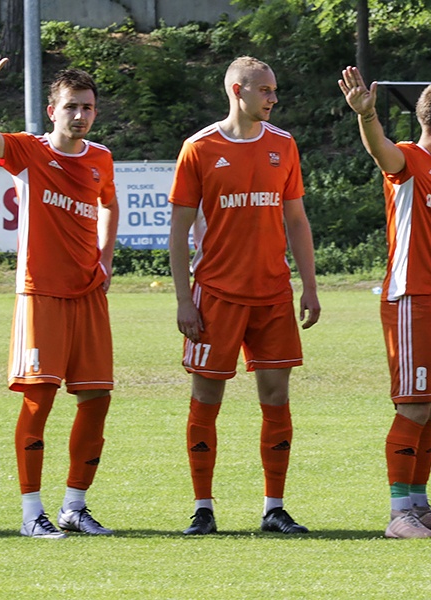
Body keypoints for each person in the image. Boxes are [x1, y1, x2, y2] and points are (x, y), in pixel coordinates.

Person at [0, 34, 119, 539]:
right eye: (71, 107)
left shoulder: (101, 159)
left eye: (88, 108)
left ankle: (75, 505)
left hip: (88, 295)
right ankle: (32, 513)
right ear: (52, 110)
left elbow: (109, 206)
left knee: (96, 399)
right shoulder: (28, 152)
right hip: (41, 295)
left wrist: (105, 258)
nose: (80, 115)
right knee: (38, 401)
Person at [169, 56, 321, 535]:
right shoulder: (199, 148)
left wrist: (310, 285)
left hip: (273, 294)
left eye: (274, 90)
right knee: (206, 396)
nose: (273, 99)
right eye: (265, 91)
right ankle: (203, 508)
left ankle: (273, 508)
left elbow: (296, 220)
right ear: (239, 91)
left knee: (276, 398)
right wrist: (182, 299)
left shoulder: (283, 145)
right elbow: (175, 233)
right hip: (215, 294)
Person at [339, 67, 431, 539]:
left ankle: (419, 507)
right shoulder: (410, 161)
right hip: (412, 299)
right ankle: (399, 515)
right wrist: (367, 115)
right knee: (414, 406)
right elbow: (381, 149)